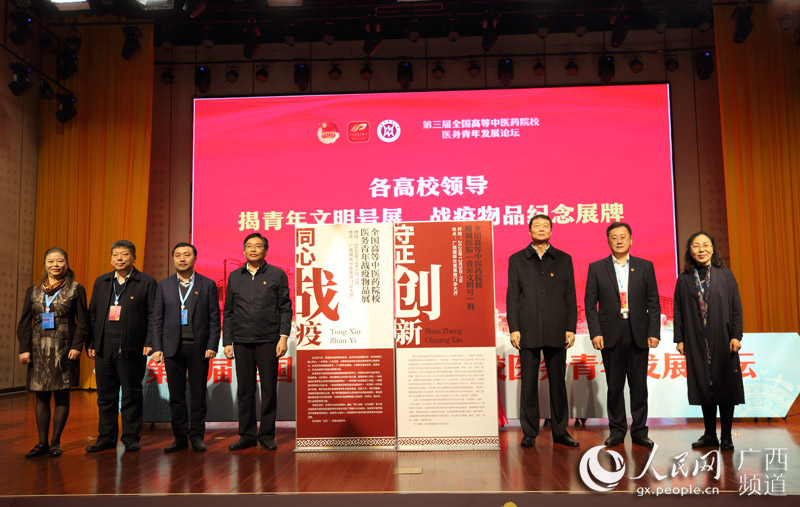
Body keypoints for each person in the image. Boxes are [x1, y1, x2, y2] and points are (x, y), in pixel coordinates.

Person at [585, 222, 660, 448]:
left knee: (639, 387)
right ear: (608, 241)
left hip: (638, 333)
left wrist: (653, 332)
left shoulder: (645, 266)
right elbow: (590, 305)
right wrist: (595, 333)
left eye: (623, 236)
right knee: (615, 387)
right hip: (610, 334)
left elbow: (653, 302)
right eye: (614, 237)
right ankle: (617, 431)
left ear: (631, 240)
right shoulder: (596, 268)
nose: (619, 240)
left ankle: (639, 431)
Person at [506, 215, 580, 447]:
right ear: (529, 231)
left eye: (545, 226)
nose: (541, 229)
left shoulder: (563, 259)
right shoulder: (517, 259)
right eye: (536, 226)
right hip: (527, 329)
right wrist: (514, 328)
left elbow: (570, 295)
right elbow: (512, 297)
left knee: (558, 382)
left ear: (551, 231)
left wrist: (570, 327)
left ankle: (560, 431)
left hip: (556, 328)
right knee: (528, 384)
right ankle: (529, 432)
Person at [674, 231, 743, 451]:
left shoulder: (725, 275)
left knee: (726, 386)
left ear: (712, 248)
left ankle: (727, 436)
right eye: (696, 245)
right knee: (705, 387)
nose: (701, 249)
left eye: (705, 245)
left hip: (723, 339)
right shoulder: (684, 278)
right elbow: (678, 311)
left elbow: (736, 307)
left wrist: (736, 335)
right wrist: (679, 339)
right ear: (690, 250)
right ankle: (710, 434)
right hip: (696, 340)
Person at [17, 247, 88, 458]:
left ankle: (56, 442)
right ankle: (42, 443)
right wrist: (24, 349)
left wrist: (77, 346)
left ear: (66, 264)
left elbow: (83, 322)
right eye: (50, 261)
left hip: (64, 350)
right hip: (38, 350)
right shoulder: (33, 290)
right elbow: (24, 323)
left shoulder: (76, 289)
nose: (55, 265)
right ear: (45, 264)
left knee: (62, 396)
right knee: (41, 397)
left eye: (59, 261)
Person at [86, 240, 156, 453]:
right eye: (115, 254)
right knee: (105, 396)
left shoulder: (146, 282)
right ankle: (106, 437)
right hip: (104, 347)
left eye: (124, 254)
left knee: (131, 394)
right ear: (110, 259)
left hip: (132, 347)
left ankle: (131, 437)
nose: (119, 258)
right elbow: (93, 314)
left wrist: (149, 342)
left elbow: (153, 315)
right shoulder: (102, 281)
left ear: (133, 258)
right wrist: (91, 342)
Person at [223, 233, 292, 451]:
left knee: (269, 389)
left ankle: (267, 435)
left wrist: (283, 337)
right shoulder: (235, 276)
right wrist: (227, 341)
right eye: (249, 246)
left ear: (265, 250)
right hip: (241, 340)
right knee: (245, 390)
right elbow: (229, 311)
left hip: (268, 339)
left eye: (258, 246)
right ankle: (247, 435)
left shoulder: (277, 274)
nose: (253, 249)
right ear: (243, 250)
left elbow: (285, 308)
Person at [152, 242, 221, 453]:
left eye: (187, 255)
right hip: (172, 348)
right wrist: (157, 347)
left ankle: (197, 436)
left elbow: (214, 318)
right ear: (173, 259)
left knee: (198, 395)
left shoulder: (207, 284)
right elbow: (157, 318)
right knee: (176, 396)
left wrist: (212, 344)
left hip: (199, 348)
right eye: (178, 255)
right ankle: (180, 437)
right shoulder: (164, 285)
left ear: (194, 258)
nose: (182, 259)